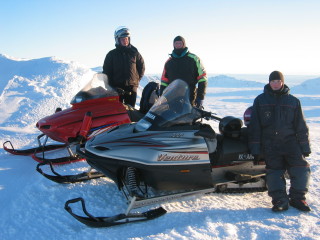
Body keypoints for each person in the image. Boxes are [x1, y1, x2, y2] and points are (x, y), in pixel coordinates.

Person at [248, 70, 311, 212]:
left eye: (278, 81)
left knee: (301, 169)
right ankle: (280, 201)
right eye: (273, 81)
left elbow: (301, 125)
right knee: (274, 172)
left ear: (282, 82)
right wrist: (255, 149)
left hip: (291, 143)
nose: (275, 84)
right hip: (270, 144)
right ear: (269, 83)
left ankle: (298, 198)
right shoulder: (260, 100)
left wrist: (305, 146)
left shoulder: (293, 101)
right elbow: (255, 126)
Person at [102, 26, 145, 107]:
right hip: (116, 89)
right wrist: (112, 87)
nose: (125, 41)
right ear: (117, 40)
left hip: (131, 89)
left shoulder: (134, 53)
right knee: (117, 112)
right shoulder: (111, 54)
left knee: (131, 112)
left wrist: (135, 81)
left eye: (127, 38)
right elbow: (106, 72)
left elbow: (141, 67)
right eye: (122, 39)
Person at [160, 36, 207, 108]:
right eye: (176, 43)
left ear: (184, 44)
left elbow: (202, 78)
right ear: (173, 45)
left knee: (187, 118)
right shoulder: (169, 62)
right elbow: (164, 81)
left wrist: (200, 97)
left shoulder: (194, 59)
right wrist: (162, 97)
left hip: (189, 95)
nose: (178, 45)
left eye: (180, 43)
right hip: (172, 96)